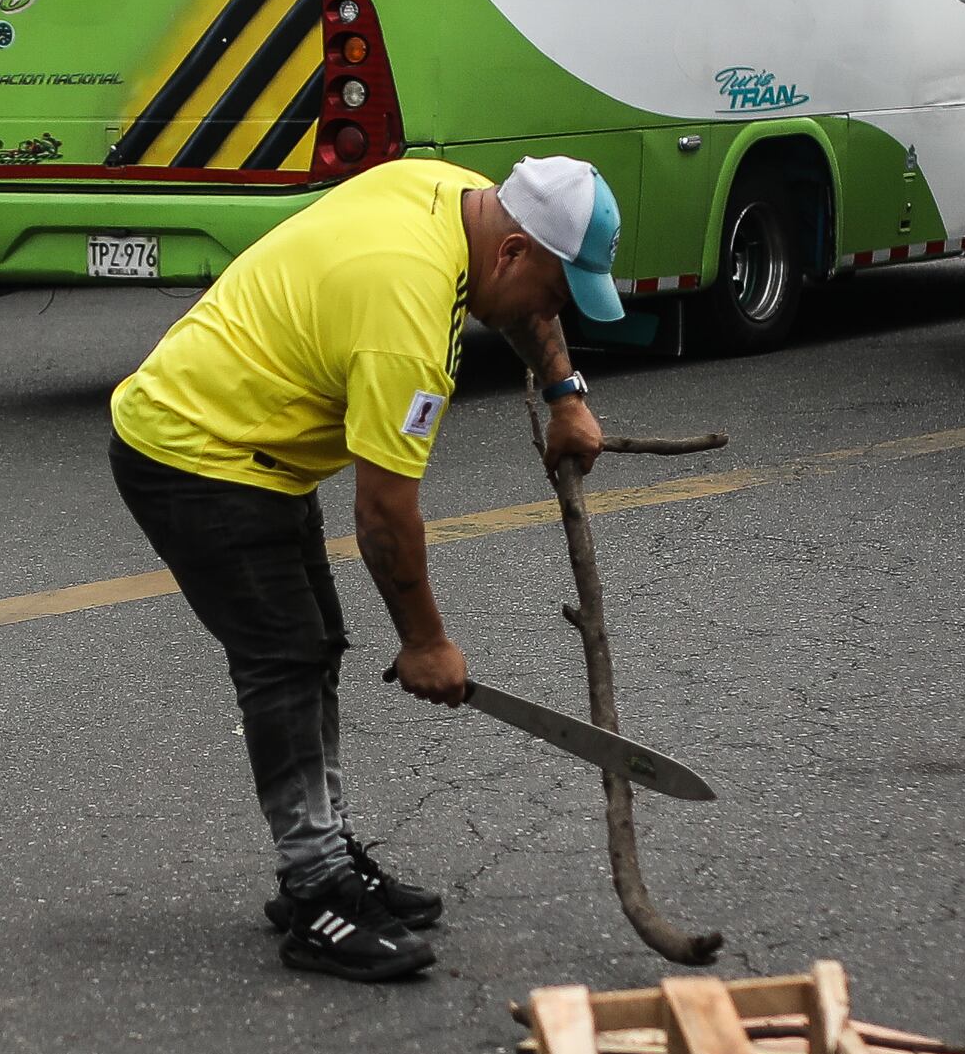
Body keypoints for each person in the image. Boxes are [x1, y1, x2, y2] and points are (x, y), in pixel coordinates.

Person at [106, 153, 619, 982]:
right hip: (194, 450)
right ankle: (316, 895)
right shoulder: (408, 314)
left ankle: (326, 854)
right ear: (513, 253)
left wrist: (565, 390)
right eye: (557, 294)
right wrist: (427, 642)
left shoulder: (458, 196)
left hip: (254, 443)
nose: (554, 313)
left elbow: (526, 303)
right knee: (284, 654)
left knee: (316, 645)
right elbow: (383, 514)